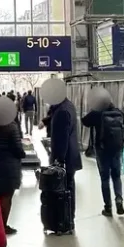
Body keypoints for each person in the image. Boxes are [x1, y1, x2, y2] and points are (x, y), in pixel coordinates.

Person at [81, 91, 124, 216]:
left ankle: (108, 207)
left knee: (105, 178)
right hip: (116, 149)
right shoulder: (119, 112)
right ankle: (119, 199)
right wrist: (121, 138)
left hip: (102, 149)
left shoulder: (98, 113)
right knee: (116, 176)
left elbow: (84, 121)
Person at [0, 113, 26, 235]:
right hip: (8, 165)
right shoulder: (11, 126)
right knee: (7, 197)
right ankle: (2, 226)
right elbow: (17, 148)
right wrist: (23, 153)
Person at [49, 92, 82, 226]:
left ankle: (65, 219)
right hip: (71, 155)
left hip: (65, 158)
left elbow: (63, 137)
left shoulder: (62, 111)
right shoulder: (68, 106)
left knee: (64, 189)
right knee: (68, 188)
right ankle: (68, 218)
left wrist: (59, 159)